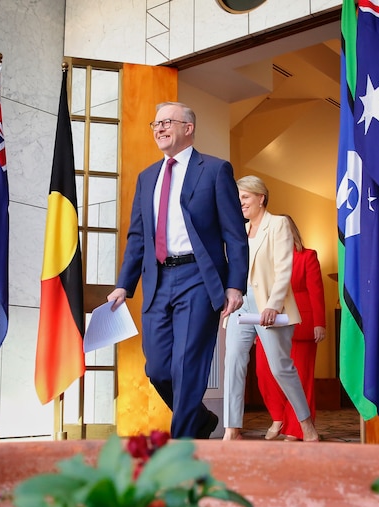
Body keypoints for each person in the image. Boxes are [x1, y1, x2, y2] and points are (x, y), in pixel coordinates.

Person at [107, 102, 248, 439]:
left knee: (187, 366)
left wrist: (235, 285)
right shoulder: (147, 177)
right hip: (157, 279)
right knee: (157, 368)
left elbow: (234, 234)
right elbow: (138, 236)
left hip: (199, 278)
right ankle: (200, 420)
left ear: (189, 127)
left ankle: (182, 446)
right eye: (155, 123)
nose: (159, 128)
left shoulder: (215, 170)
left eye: (167, 122)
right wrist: (124, 284)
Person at [221, 176, 319, 442]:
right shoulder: (238, 230)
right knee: (233, 364)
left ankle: (306, 423)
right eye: (238, 198)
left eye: (245, 197)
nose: (240, 203)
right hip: (241, 304)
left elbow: (284, 268)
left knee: (280, 367)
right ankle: (232, 429)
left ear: (261, 197)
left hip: (270, 305)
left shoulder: (279, 224)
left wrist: (274, 305)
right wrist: (227, 300)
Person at [255, 215, 326, 441]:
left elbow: (316, 291)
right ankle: (278, 417)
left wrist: (319, 323)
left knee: (301, 378)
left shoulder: (308, 256)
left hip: (301, 324)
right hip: (269, 322)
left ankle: (297, 429)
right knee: (264, 373)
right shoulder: (265, 258)